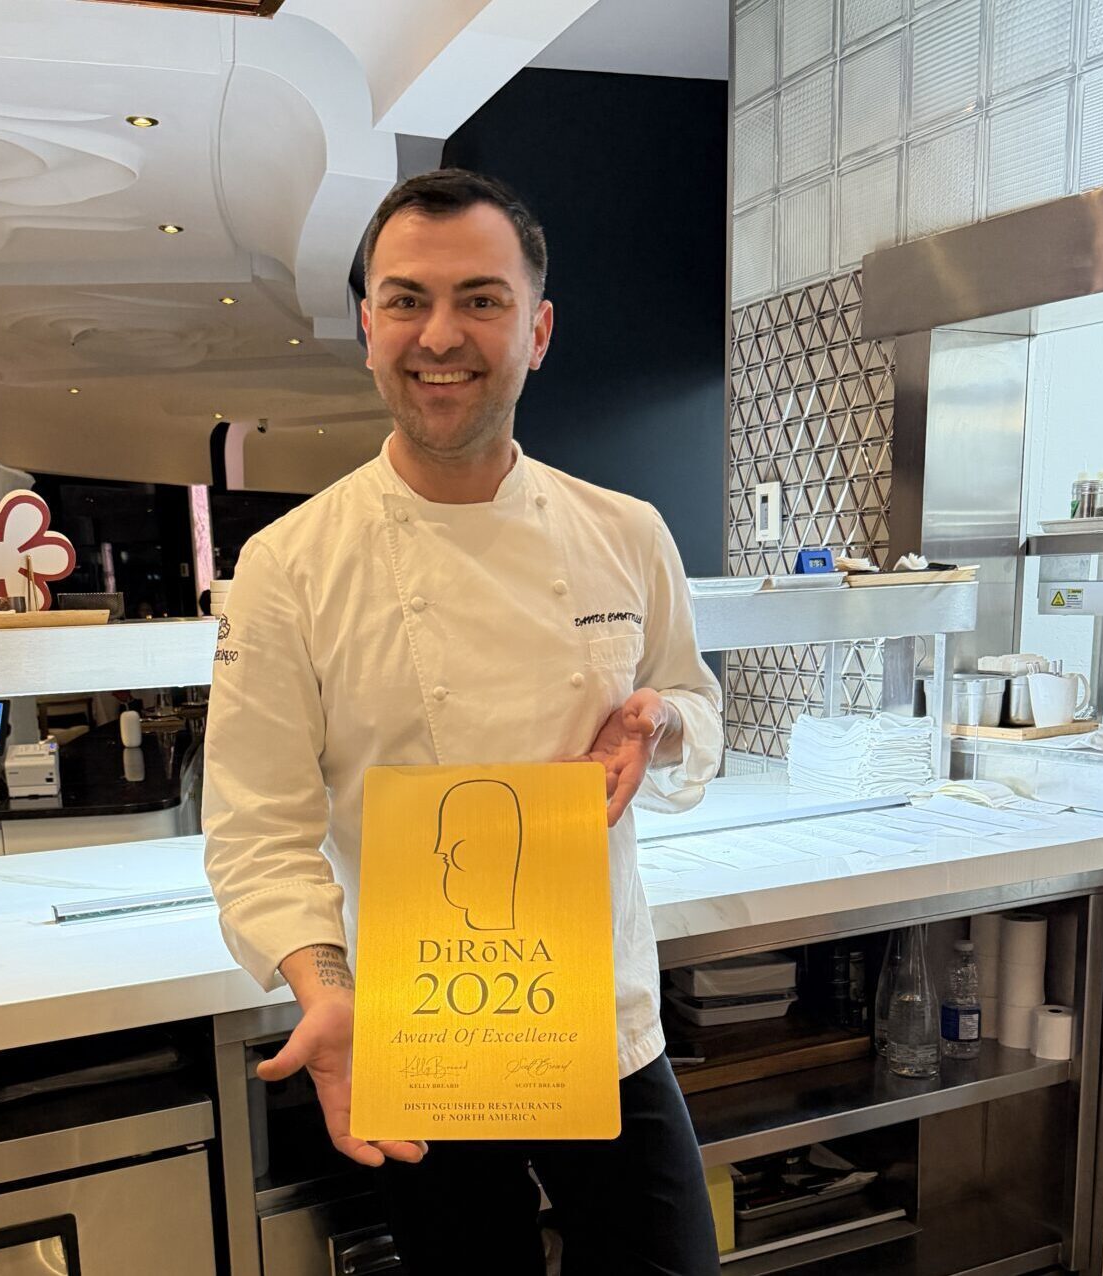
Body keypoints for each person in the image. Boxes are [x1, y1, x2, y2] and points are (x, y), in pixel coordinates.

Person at [202, 169, 722, 1275]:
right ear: (367, 327)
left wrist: (657, 722)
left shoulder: (625, 532)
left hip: (603, 1014)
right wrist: (324, 987)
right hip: (419, 1026)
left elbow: (693, 699)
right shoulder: (288, 565)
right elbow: (256, 829)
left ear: (537, 330)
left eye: (480, 300)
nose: (439, 335)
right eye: (406, 300)